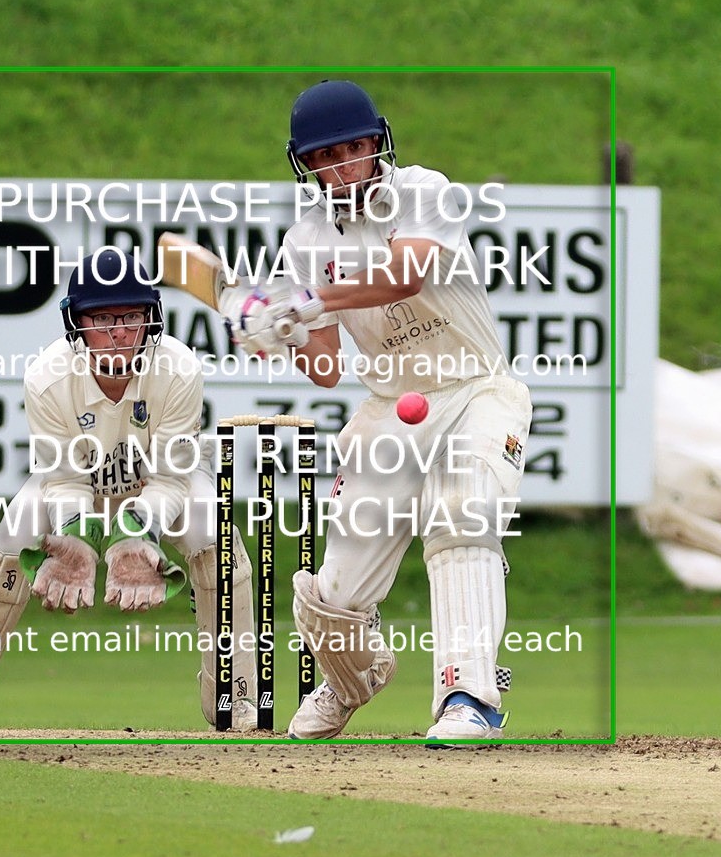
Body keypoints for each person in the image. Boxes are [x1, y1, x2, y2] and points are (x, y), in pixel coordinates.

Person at [226, 80, 532, 740]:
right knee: (337, 593)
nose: (342, 167)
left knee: (461, 515)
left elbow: (404, 276)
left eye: (353, 149)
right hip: (392, 409)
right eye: (325, 157)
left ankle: (469, 698)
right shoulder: (306, 240)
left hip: (476, 389)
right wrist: (282, 333)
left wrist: (311, 300)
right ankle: (351, 679)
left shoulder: (423, 190)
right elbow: (326, 367)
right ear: (305, 164)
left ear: (376, 144)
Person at [0, 248, 259, 731]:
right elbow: (63, 479)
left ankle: (236, 697)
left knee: (214, 530)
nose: (119, 332)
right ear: (77, 323)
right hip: (80, 486)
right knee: (13, 530)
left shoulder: (179, 369)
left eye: (130, 316)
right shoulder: (47, 378)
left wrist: (138, 532)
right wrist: (77, 536)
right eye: (103, 318)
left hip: (159, 486)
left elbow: (171, 477)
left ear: (150, 317)